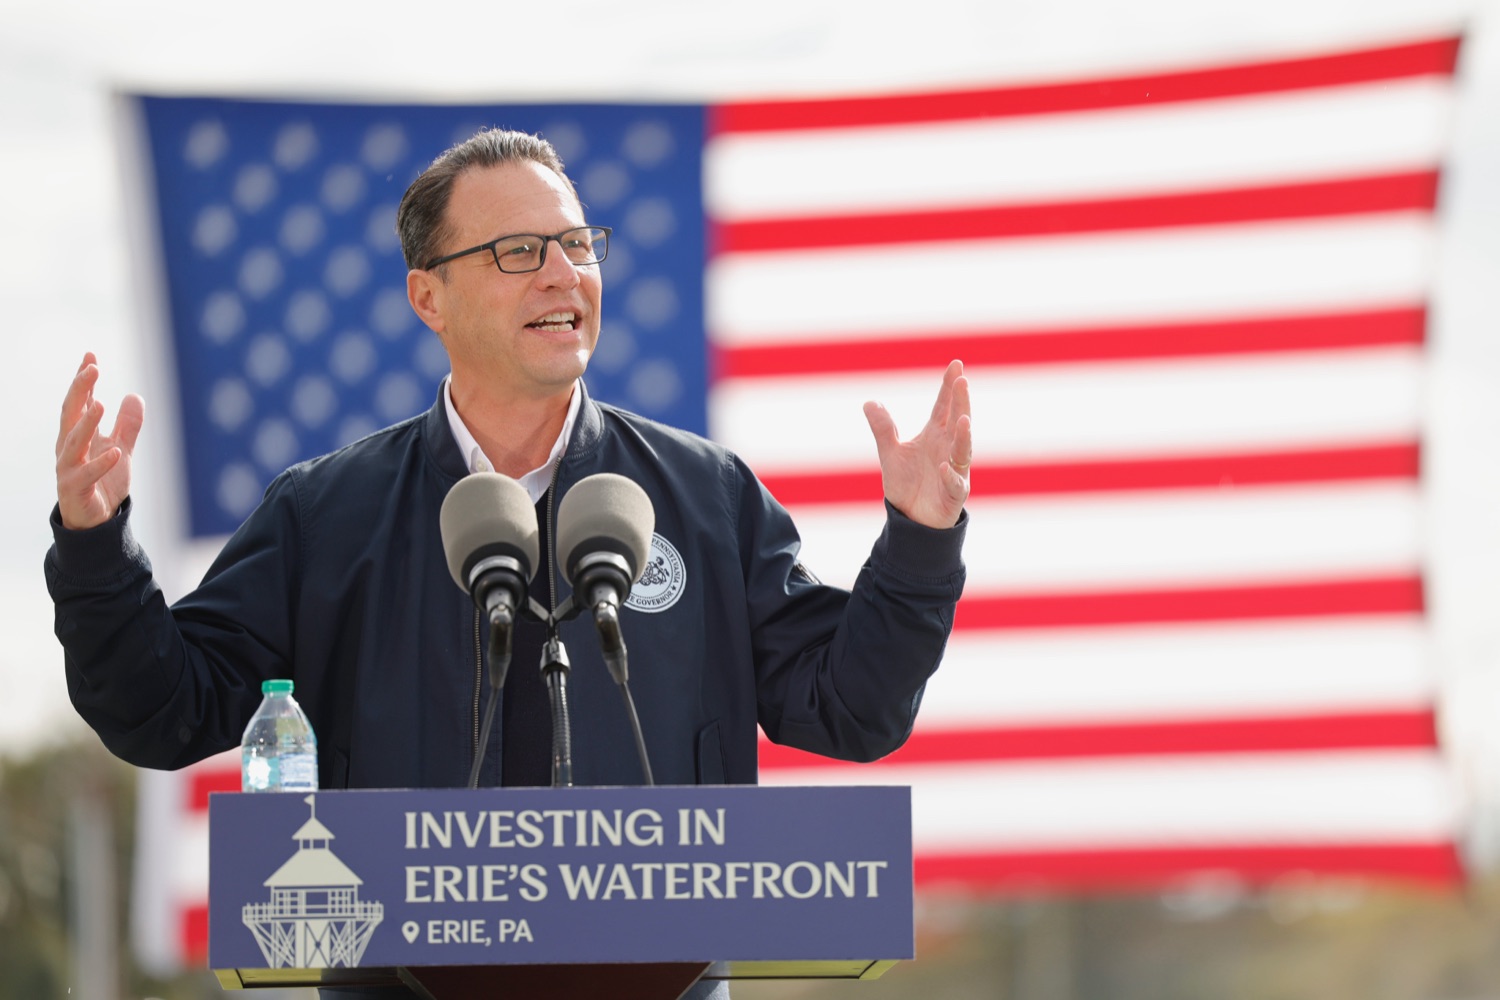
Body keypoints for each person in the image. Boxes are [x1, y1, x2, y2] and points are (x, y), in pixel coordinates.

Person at [48, 128, 969, 997]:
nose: (563, 273)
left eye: (577, 245)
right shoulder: (326, 512)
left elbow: (849, 707)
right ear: (428, 297)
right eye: (517, 252)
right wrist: (97, 550)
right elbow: (161, 712)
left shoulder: (704, 494)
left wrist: (920, 541)